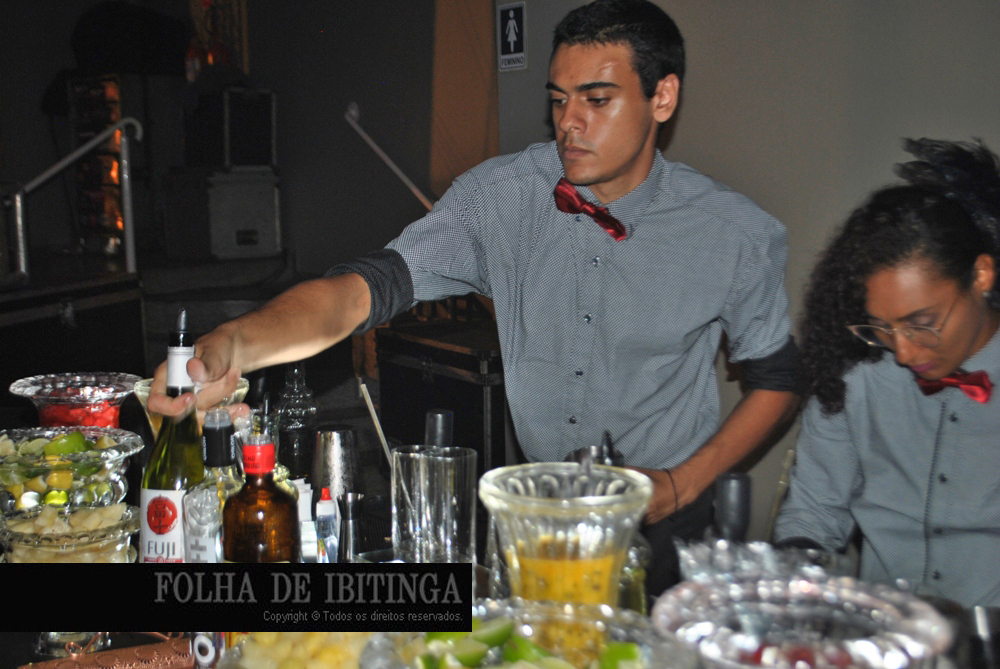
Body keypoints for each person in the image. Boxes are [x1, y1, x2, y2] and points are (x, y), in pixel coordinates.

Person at [150, 0, 799, 596]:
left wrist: (679, 485)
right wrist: (234, 342)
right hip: (537, 521)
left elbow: (778, 378)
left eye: (597, 100)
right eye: (558, 99)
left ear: (663, 97)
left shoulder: (731, 233)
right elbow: (358, 292)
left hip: (666, 530)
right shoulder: (501, 198)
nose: (568, 123)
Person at [773, 138, 1000, 608]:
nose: (903, 352)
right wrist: (799, 581)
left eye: (922, 323)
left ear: (981, 275)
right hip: (881, 625)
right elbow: (814, 511)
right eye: (881, 328)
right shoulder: (855, 377)